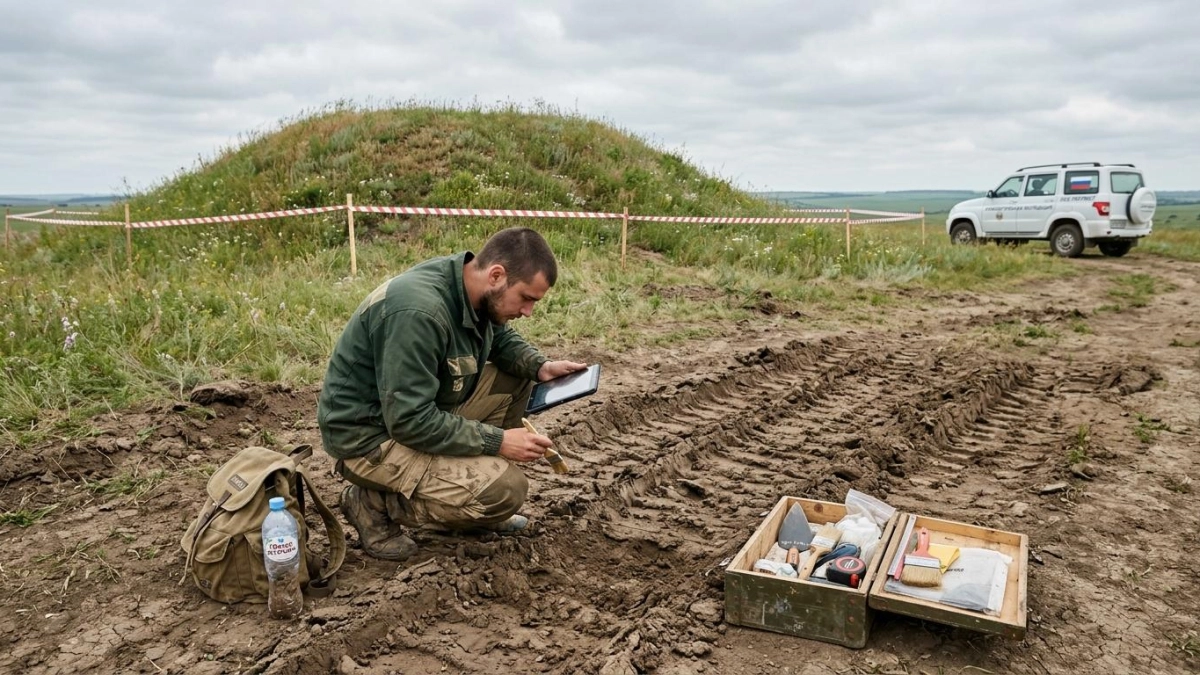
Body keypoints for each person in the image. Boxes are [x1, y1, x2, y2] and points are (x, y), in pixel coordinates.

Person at [317, 227, 587, 560]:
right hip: (368, 437)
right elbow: (410, 421)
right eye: (527, 298)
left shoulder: (469, 284)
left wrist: (540, 366)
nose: (528, 311)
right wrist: (498, 441)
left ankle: (470, 497)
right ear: (496, 275)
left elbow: (497, 336)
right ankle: (373, 504)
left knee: (516, 378)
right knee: (505, 491)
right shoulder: (419, 313)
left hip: (412, 413)